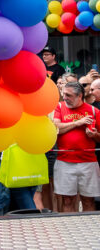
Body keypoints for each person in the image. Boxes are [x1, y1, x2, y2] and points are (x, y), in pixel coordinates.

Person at [52, 81, 100, 212]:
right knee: (67, 200)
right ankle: (68, 229)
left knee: (88, 200)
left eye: (69, 95)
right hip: (64, 161)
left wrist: (94, 135)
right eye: (64, 94)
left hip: (88, 162)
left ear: (80, 96)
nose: (65, 97)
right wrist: (79, 122)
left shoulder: (93, 111)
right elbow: (57, 128)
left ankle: (88, 230)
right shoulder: (59, 107)